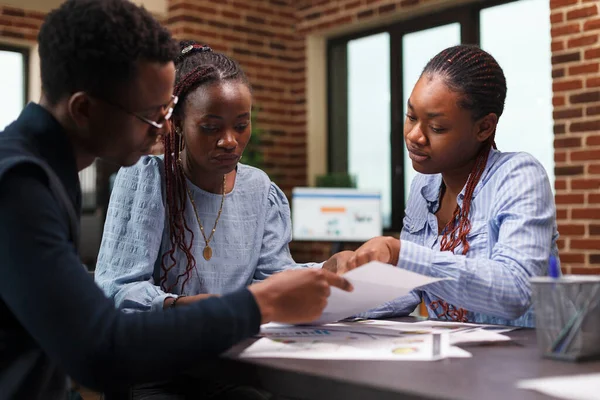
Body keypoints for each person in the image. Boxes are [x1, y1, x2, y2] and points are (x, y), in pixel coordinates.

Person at [0, 1, 351, 399]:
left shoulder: (45, 170)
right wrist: (255, 305)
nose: (165, 129)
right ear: (83, 109)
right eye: (153, 113)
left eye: (168, 110)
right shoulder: (18, 185)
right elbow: (99, 350)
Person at [325, 44, 558, 328]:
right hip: (448, 361)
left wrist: (402, 255)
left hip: (516, 361)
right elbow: (406, 289)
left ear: (484, 127)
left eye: (436, 128)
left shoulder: (518, 176)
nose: (413, 136)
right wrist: (346, 283)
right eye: (411, 116)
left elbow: (516, 290)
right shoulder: (424, 186)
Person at [95, 40, 321, 312]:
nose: (229, 141)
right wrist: (192, 309)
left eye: (241, 125)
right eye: (210, 127)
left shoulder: (259, 188)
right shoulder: (147, 179)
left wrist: (334, 269)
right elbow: (120, 287)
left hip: (243, 342)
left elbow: (274, 278)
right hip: (166, 345)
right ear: (177, 124)